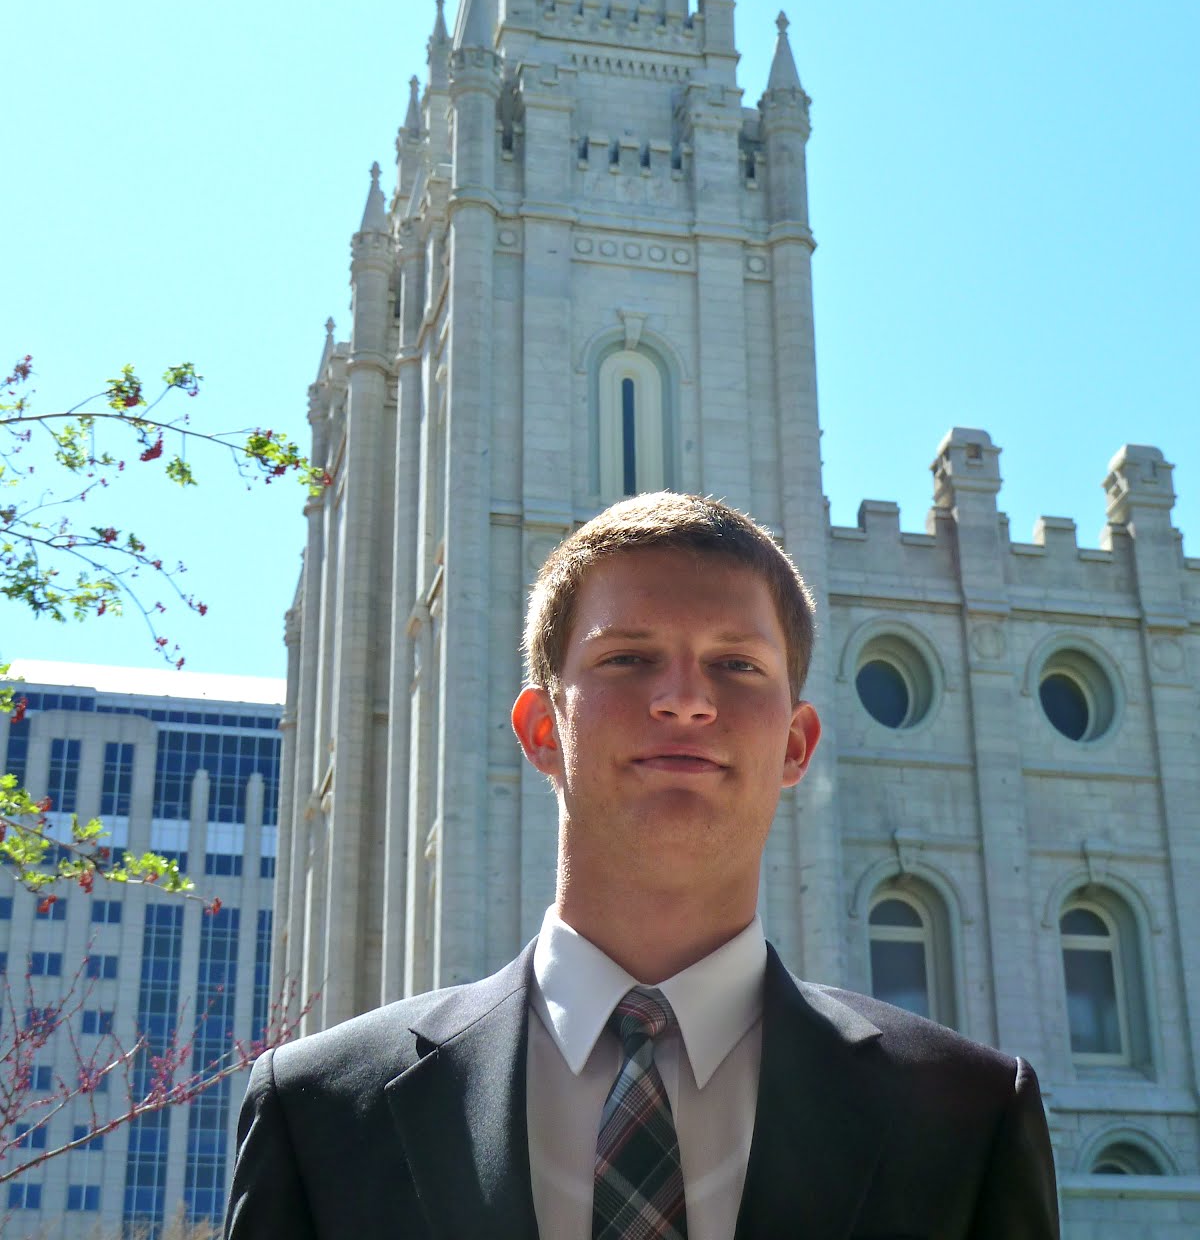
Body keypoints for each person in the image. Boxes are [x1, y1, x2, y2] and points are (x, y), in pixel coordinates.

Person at [224, 492, 1060, 1239]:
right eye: (627, 658)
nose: (686, 699)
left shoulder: (970, 1116)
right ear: (542, 730)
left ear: (796, 744)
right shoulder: (320, 1114)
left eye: (737, 665)